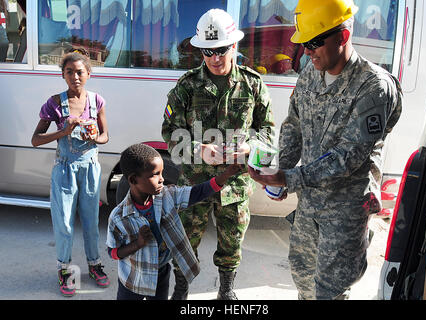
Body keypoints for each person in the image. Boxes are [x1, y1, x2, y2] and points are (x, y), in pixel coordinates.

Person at [248, 0, 403, 300]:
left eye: (315, 42)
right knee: (303, 278)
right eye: (304, 43)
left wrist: (288, 178)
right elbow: (294, 125)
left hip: (345, 210)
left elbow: (348, 157)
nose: (307, 51)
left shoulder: (373, 87)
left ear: (342, 37)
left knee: (330, 291)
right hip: (309, 203)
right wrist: (277, 172)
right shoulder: (310, 73)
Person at [161, 9, 275, 300]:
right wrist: (198, 149)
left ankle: (226, 291)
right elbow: (169, 134)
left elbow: (270, 134)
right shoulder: (186, 86)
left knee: (231, 244)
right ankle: (181, 290)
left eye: (221, 50)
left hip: (234, 186)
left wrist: (250, 147)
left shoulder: (253, 84)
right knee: (185, 242)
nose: (214, 58)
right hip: (194, 186)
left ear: (234, 46)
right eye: (207, 51)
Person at [106, 144, 242, 300]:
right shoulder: (118, 217)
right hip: (132, 277)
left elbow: (196, 193)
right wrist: (137, 244)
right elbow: (113, 252)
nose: (162, 179)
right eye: (155, 174)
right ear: (133, 179)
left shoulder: (167, 196)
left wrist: (224, 175)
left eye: (162, 173)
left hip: (160, 272)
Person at [31, 48, 110, 297]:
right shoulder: (55, 103)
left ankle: (94, 264)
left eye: (80, 72)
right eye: (69, 72)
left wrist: (95, 136)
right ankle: (64, 269)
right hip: (64, 169)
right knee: (64, 223)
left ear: (88, 73)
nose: (75, 76)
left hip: (90, 169)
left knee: (90, 222)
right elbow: (36, 139)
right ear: (63, 75)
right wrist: (63, 132)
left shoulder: (96, 101)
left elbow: (106, 136)